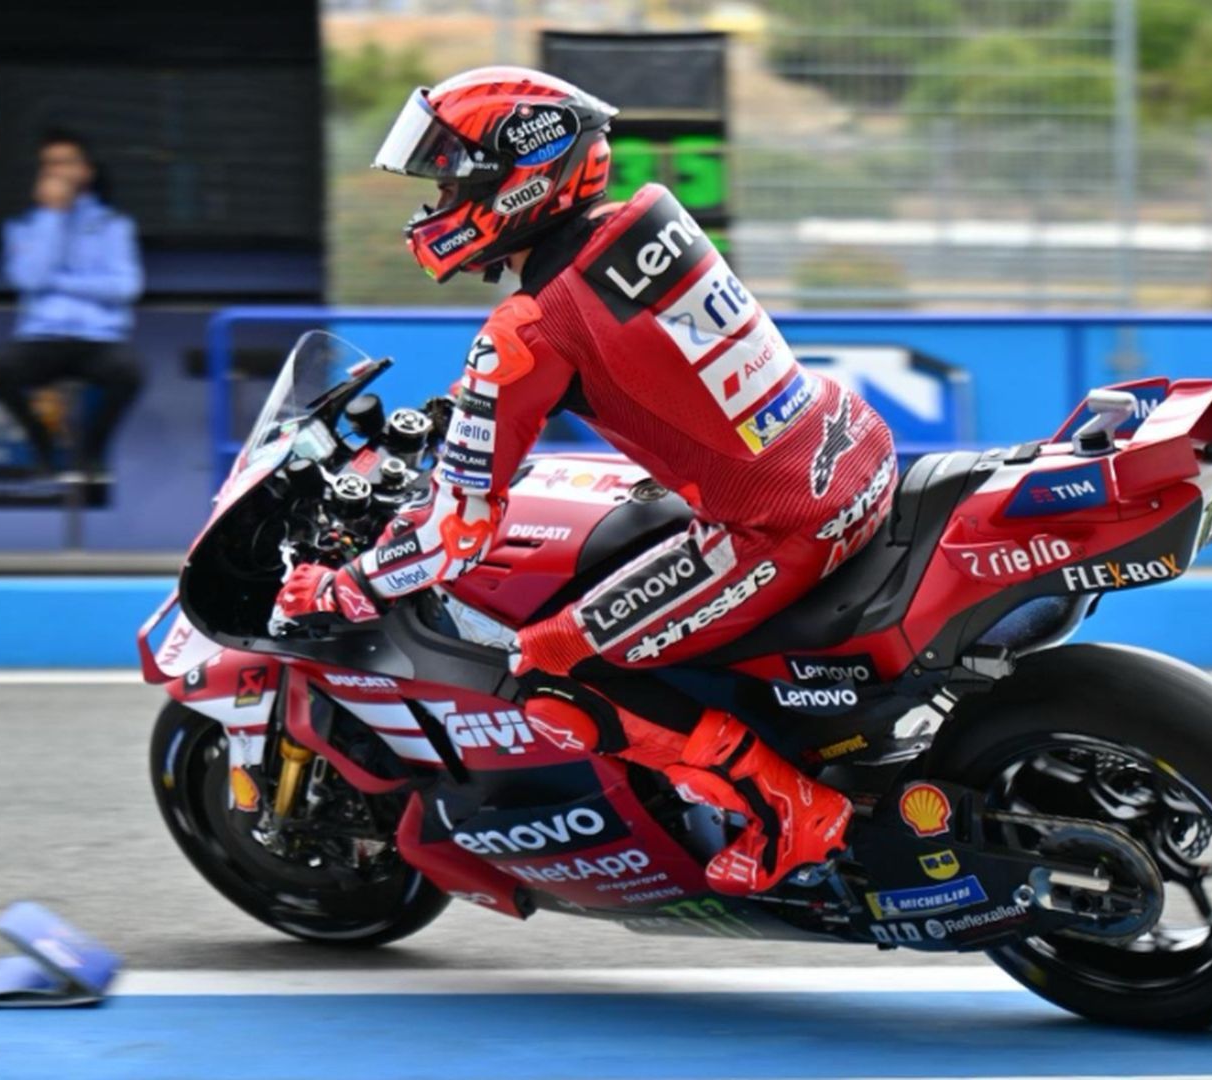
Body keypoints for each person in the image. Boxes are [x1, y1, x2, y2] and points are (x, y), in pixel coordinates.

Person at [269, 67, 898, 897]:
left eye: (453, 181)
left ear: (518, 178)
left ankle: (785, 808)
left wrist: (347, 587)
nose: (435, 205)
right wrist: (468, 408)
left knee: (545, 667)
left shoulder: (528, 327)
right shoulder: (647, 222)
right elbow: (653, 363)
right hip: (851, 446)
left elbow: (455, 534)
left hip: (778, 526)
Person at [0, 129, 145, 480]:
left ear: (87, 171)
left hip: (99, 339)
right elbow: (29, 279)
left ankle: (91, 452)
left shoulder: (113, 225)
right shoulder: (24, 226)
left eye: (66, 162)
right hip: (41, 337)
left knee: (129, 372)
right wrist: (53, 215)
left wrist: (58, 283)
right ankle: (41, 441)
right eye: (50, 165)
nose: (57, 172)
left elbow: (125, 287)